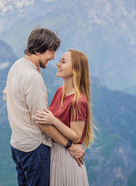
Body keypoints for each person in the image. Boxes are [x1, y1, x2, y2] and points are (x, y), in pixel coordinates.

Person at [3, 28, 85, 186]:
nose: (53, 57)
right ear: (38, 49)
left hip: (17, 145)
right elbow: (42, 121)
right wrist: (69, 146)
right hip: (34, 148)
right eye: (51, 52)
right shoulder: (32, 77)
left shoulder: (17, 66)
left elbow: (7, 96)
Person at [34, 50, 95, 186]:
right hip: (56, 153)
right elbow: (44, 121)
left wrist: (53, 120)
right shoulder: (60, 92)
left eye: (63, 61)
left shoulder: (78, 101)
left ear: (75, 69)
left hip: (68, 158)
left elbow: (76, 136)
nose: (57, 64)